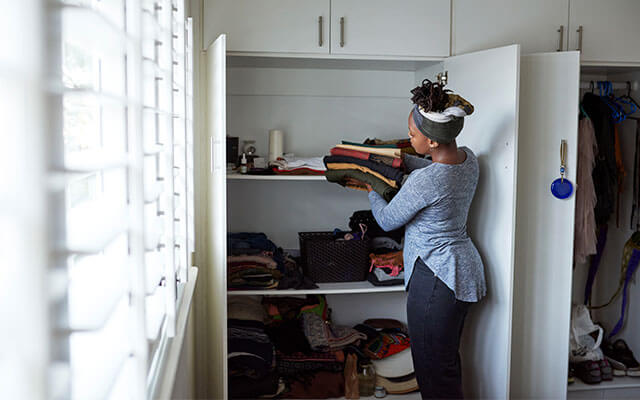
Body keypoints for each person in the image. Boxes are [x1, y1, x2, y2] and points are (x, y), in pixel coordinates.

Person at [349, 79, 486, 399]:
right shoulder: (468, 159)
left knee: (431, 369)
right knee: (445, 363)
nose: (409, 140)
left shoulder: (426, 181)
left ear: (433, 141)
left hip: (436, 277)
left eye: (412, 135)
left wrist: (371, 184)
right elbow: (429, 168)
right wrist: (398, 160)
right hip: (462, 271)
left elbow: (385, 219)